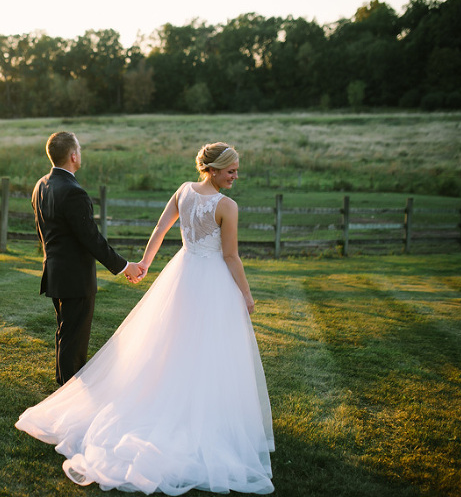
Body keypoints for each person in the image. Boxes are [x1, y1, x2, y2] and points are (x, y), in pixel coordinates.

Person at [16, 142, 275, 495]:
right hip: (210, 279)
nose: (235, 176)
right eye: (230, 170)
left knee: (174, 341)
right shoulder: (227, 207)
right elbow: (231, 256)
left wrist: (146, 265)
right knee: (204, 345)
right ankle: (194, 413)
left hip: (183, 274)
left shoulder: (184, 191)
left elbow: (161, 229)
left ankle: (179, 400)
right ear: (212, 170)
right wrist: (245, 295)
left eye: (236, 171)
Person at [32, 131, 145, 386]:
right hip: (75, 278)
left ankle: (63, 390)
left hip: (54, 273)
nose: (80, 154)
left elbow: (42, 231)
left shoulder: (41, 185)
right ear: (73, 155)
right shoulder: (74, 192)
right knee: (74, 341)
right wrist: (125, 266)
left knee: (65, 335)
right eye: (79, 150)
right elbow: (91, 238)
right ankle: (69, 395)